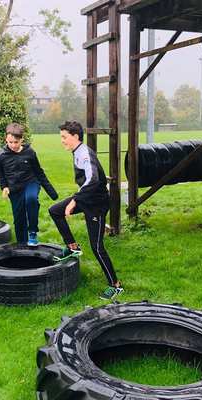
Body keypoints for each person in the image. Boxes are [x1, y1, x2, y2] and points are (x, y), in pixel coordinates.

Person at [49, 120, 123, 301]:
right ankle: (73, 247)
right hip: (86, 198)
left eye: (64, 137)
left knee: (97, 247)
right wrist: (77, 199)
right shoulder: (77, 151)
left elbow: (93, 180)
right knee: (55, 211)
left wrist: (74, 200)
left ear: (75, 136)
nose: (62, 141)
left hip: (96, 204)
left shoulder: (84, 154)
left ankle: (116, 285)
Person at [0, 123, 58, 246]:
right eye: (10, 142)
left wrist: (52, 193)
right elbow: (0, 173)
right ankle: (22, 245)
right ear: (6, 139)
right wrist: (5, 187)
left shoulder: (30, 153)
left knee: (31, 199)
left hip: (31, 182)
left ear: (22, 139)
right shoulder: (1, 154)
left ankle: (33, 231)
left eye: (16, 142)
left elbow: (39, 172)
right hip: (14, 188)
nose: (13, 145)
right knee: (19, 219)